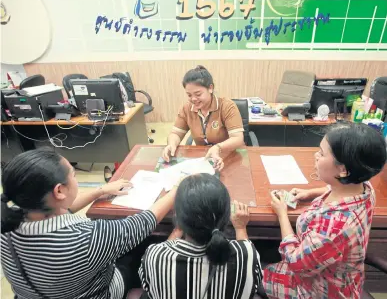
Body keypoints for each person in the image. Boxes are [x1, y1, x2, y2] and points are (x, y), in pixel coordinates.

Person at [1, 149, 177, 299]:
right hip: (96, 293)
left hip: (39, 292)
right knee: (145, 248)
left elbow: (62, 211)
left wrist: (100, 191)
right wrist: (178, 188)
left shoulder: (7, 223)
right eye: (74, 175)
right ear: (59, 190)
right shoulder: (84, 239)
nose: (76, 180)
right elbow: (142, 223)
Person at [264, 122, 387, 299]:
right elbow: (336, 189)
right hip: (344, 278)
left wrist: (282, 213)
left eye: (321, 153)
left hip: (318, 290)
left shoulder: (334, 228)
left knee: (253, 272)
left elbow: (295, 263)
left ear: (343, 170)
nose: (315, 156)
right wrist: (310, 193)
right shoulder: (364, 188)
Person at [139, 173, 263, 299]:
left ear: (177, 216)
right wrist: (241, 228)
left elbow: (149, 287)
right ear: (226, 217)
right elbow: (249, 261)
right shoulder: (246, 255)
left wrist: (177, 230)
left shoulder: (154, 255)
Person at [162, 65, 245, 171]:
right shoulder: (187, 108)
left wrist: (218, 147)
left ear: (210, 88)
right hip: (204, 160)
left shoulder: (227, 106)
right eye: (189, 95)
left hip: (230, 157)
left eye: (198, 94)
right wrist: (171, 145)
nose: (193, 99)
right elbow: (176, 133)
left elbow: (237, 138)